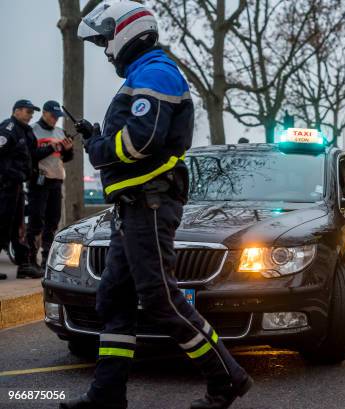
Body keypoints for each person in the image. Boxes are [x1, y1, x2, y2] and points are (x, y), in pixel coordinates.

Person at [60, 2, 252, 409]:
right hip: (133, 206)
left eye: (106, 40)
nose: (106, 50)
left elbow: (140, 142)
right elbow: (140, 136)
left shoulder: (155, 71)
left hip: (149, 203)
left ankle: (227, 378)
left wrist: (97, 147)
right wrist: (101, 133)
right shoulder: (144, 73)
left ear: (127, 31)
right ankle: (107, 396)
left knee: (161, 298)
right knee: (115, 299)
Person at [0, 100, 53, 279]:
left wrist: (52, 148)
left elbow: (33, 154)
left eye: (32, 112)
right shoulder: (8, 129)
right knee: (2, 225)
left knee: (19, 227)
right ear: (16, 111)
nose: (31, 115)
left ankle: (24, 266)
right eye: (28, 111)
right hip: (5, 186)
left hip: (17, 187)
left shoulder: (27, 132)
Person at [26, 100, 74, 270]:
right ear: (44, 113)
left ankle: (47, 258)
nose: (55, 119)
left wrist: (67, 150)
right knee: (36, 221)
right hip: (39, 181)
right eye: (52, 116)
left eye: (57, 117)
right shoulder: (32, 131)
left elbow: (67, 158)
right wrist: (50, 147)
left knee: (53, 221)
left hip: (57, 179)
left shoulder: (60, 132)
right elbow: (29, 155)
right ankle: (30, 260)